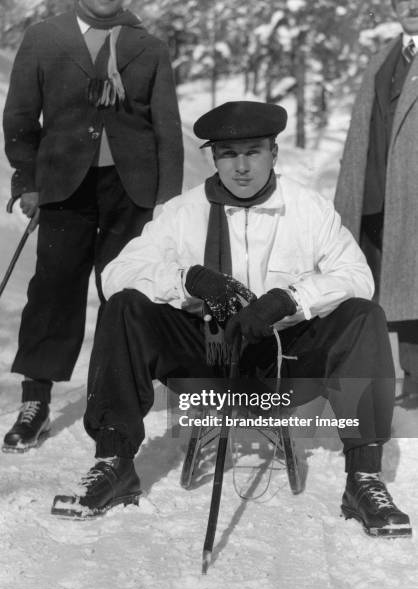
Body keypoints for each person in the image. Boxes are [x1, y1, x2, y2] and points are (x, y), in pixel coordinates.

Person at [52, 100, 411, 538]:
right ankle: (113, 463)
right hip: (206, 356)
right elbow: (116, 275)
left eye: (253, 151)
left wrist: (289, 299)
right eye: (228, 154)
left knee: (362, 316)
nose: (241, 166)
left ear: (274, 153)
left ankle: (363, 479)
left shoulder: (308, 208)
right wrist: (191, 280)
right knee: (125, 304)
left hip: (285, 362)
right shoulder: (184, 211)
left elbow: (357, 277)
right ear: (214, 158)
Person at [2, 0, 184, 452]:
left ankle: (112, 405)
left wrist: (168, 201)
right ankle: (36, 402)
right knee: (53, 291)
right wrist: (27, 181)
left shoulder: (149, 46)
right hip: (64, 187)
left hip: (132, 191)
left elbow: (167, 128)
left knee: (124, 295)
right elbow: (20, 118)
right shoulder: (47, 37)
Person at [334, 0, 418, 407]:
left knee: (411, 286)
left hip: (412, 193)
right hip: (375, 194)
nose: (412, 6)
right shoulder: (382, 58)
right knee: (385, 291)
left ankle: (416, 384)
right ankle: (386, 385)